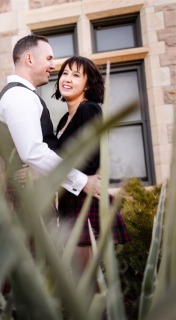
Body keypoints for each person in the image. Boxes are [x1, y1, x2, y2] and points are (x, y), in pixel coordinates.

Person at [0, 34, 101, 208]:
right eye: (49, 58)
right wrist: (82, 181)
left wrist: (41, 174)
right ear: (29, 59)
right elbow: (34, 153)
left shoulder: (23, 95)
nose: (53, 65)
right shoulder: (20, 96)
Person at [52, 55, 130, 270]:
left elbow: (93, 156)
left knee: (84, 277)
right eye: (65, 73)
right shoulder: (63, 120)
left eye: (76, 75)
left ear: (88, 84)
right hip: (70, 198)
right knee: (79, 274)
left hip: (83, 199)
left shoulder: (89, 109)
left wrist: (63, 177)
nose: (67, 79)